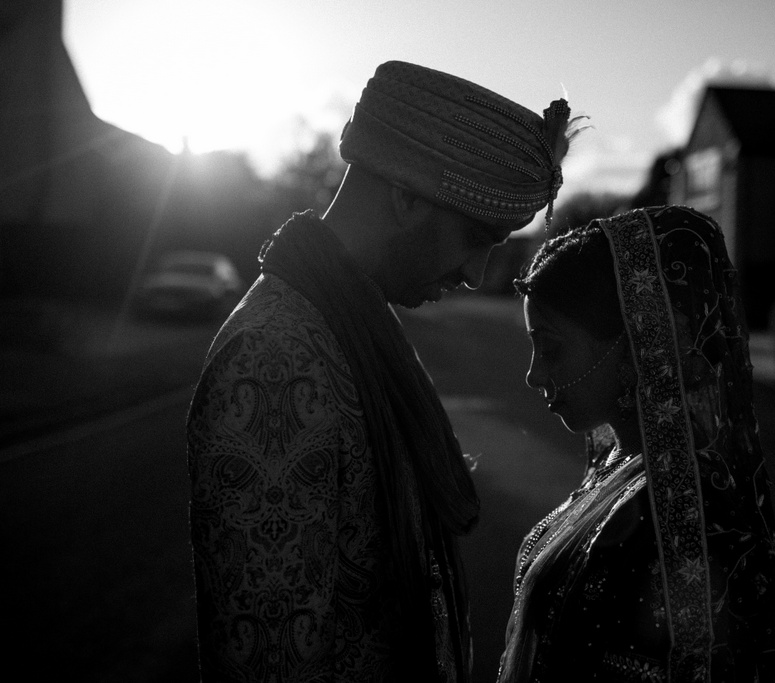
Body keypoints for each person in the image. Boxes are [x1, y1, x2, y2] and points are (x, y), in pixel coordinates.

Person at [186, 60, 581, 682]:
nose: (477, 273)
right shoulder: (274, 358)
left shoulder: (349, 322)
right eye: (477, 237)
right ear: (405, 195)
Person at [499, 205, 775, 682]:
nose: (533, 375)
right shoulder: (623, 466)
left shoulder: (687, 512)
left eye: (550, 347)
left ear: (634, 344)